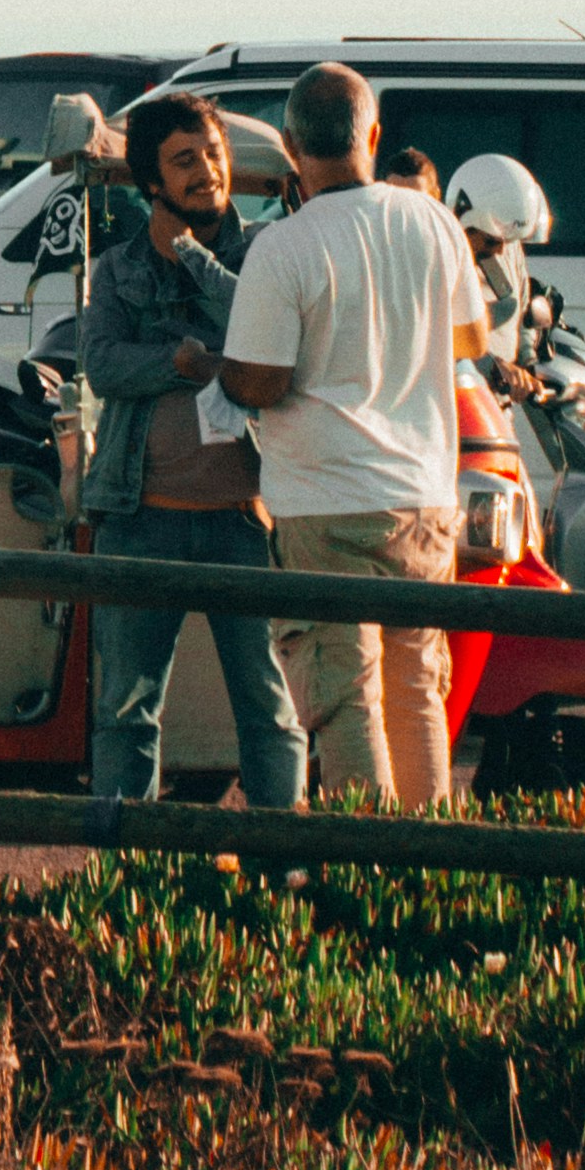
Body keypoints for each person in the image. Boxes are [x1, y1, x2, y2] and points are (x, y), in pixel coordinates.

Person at [219, 57, 486, 810]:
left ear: (289, 145)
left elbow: (262, 382)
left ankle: (367, 879)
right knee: (417, 695)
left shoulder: (284, 247)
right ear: (373, 133)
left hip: (323, 501)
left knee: (346, 703)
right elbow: (471, 339)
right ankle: (428, 872)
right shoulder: (434, 222)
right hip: (424, 500)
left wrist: (223, 369)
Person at [71, 95, 306, 824]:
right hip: (139, 519)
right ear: (151, 182)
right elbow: (102, 365)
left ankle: (283, 871)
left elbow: (264, 331)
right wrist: (181, 361)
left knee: (268, 708)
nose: (208, 170)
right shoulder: (115, 269)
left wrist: (196, 261)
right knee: (126, 711)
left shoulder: (267, 253)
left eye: (212, 152)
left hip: (245, 521)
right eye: (185, 161)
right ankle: (124, 882)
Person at [447, 146, 550, 361]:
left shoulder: (507, 243)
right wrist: (495, 368)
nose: (501, 250)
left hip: (501, 393)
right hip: (462, 390)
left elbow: (523, 314)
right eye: (491, 241)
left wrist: (527, 358)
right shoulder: (439, 263)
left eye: (509, 242)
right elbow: (440, 340)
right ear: (463, 219)